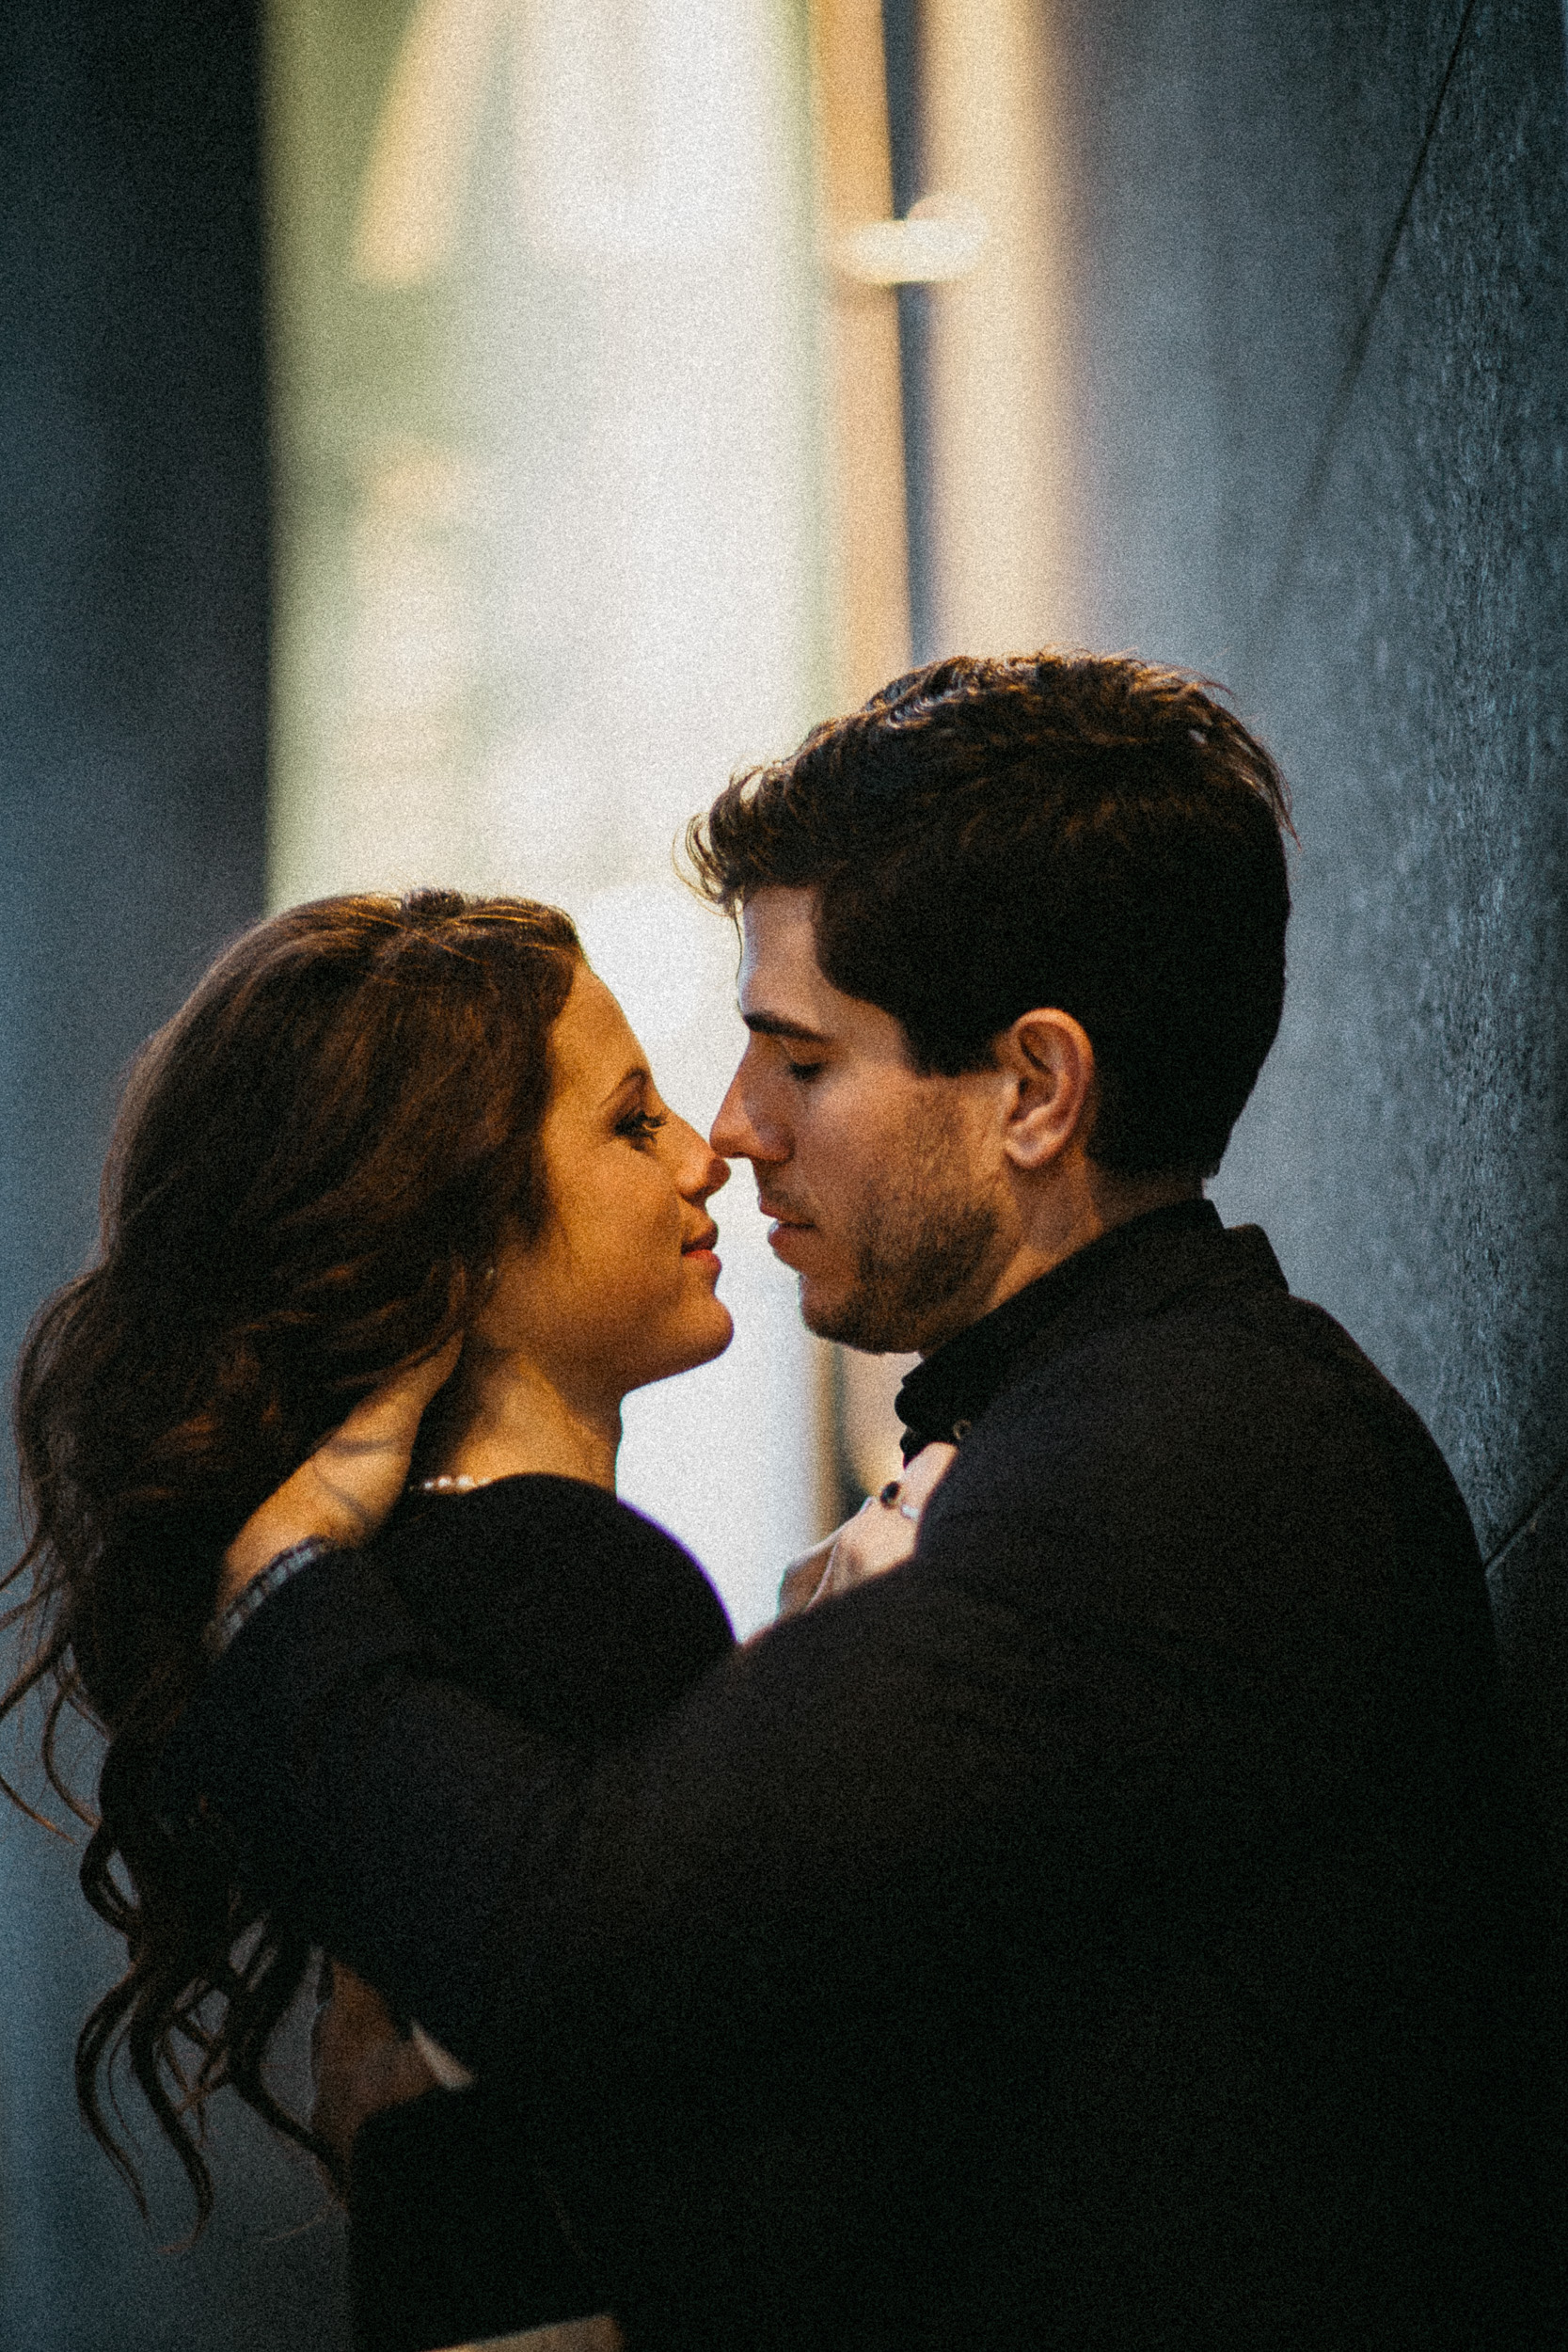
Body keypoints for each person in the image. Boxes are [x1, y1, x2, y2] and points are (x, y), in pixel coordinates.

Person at [157, 652, 1559, 2345]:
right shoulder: (1098, 1437)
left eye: (800, 1062)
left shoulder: (1184, 1457)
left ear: (1037, 1092)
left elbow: (578, 1940)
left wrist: (282, 1588)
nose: (732, 1130)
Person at [1, 888, 803, 2351]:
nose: (704, 1156)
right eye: (631, 1124)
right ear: (462, 1233)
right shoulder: (567, 1584)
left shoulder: (385, 1610)